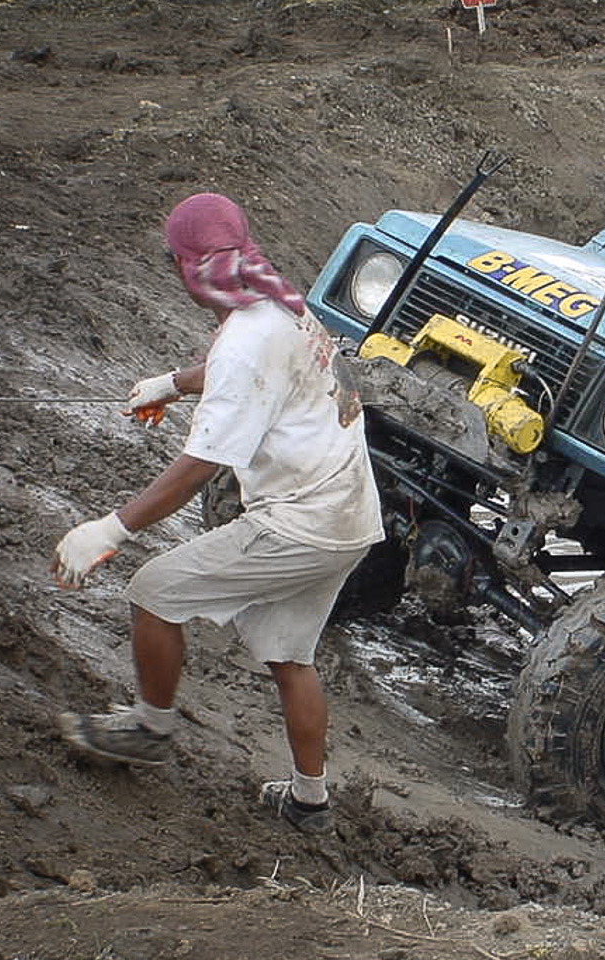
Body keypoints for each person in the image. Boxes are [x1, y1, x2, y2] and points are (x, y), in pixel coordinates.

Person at [51, 192, 385, 834]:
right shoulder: (283, 305)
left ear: (186, 264)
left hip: (301, 523)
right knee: (291, 657)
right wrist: (173, 383)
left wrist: (110, 529)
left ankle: (150, 728)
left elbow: (202, 462)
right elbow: (252, 369)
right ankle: (310, 803)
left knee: (153, 592)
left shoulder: (246, 339)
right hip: (349, 518)